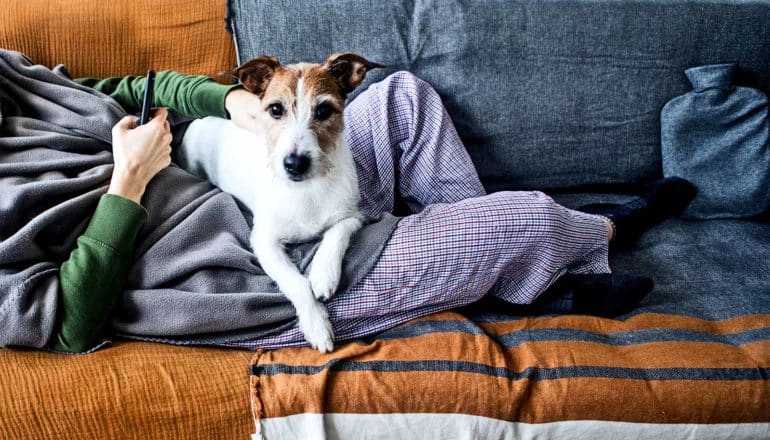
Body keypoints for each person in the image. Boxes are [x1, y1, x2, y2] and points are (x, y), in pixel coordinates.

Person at [49, 70, 694, 353]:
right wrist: (128, 181)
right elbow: (70, 325)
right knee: (509, 225)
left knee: (404, 98)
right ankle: (582, 245)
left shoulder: (21, 75)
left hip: (270, 178)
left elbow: (142, 87)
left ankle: (513, 266)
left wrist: (236, 105)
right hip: (212, 260)